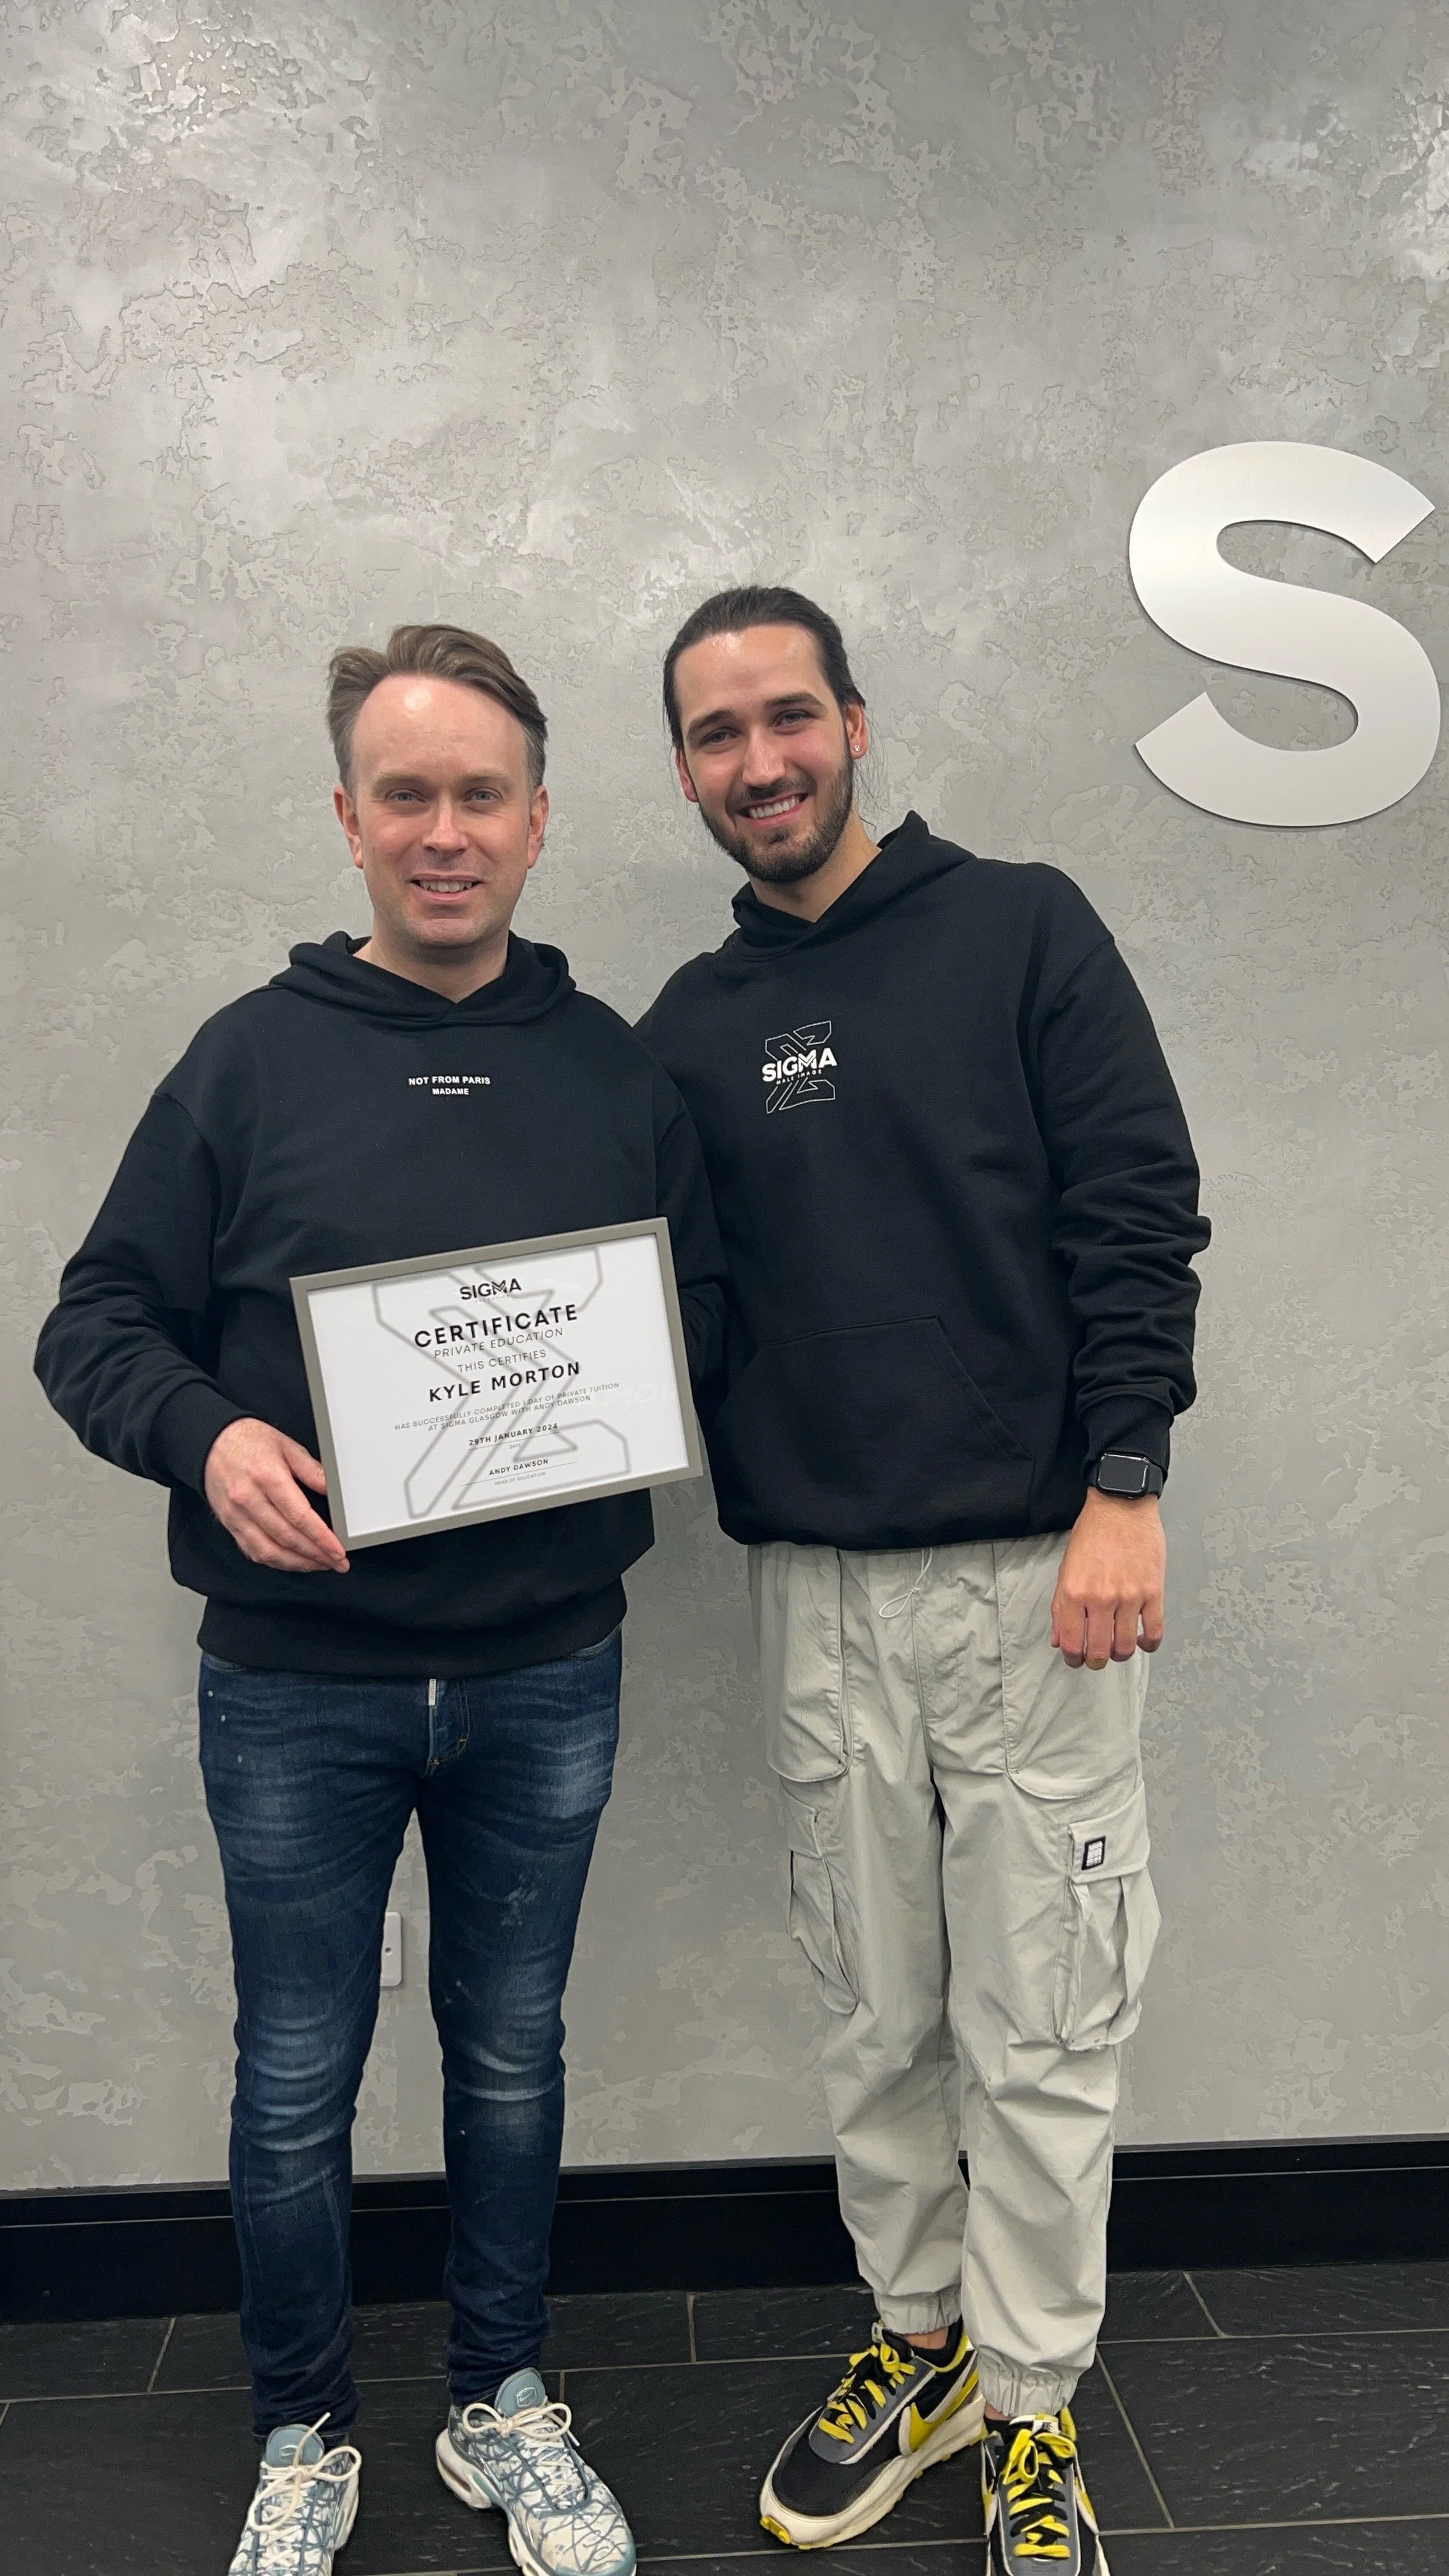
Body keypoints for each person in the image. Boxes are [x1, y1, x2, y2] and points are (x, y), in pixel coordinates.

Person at [35, 623, 726, 2576]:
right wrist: (204, 1440)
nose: (444, 832)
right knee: (292, 2077)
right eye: (404, 795)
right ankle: (303, 2429)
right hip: (293, 1685)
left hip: (546, 1666)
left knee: (513, 2055)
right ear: (348, 819)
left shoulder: (617, 1074)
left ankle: (502, 2402)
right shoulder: (241, 1064)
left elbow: (711, 1324)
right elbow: (92, 1325)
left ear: (537, 819)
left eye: (479, 795)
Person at [636, 586, 1209, 2576]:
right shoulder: (686, 1035)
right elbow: (643, 1315)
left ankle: (1035, 2407)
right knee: (873, 2014)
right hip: (819, 1592)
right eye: (716, 737)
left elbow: (1137, 1202)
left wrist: (1125, 1482)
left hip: (1046, 1576)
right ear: (686, 772)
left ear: (854, 725)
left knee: (1042, 2022)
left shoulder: (1021, 927)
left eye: (787, 719)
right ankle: (922, 2344)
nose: (759, 764)